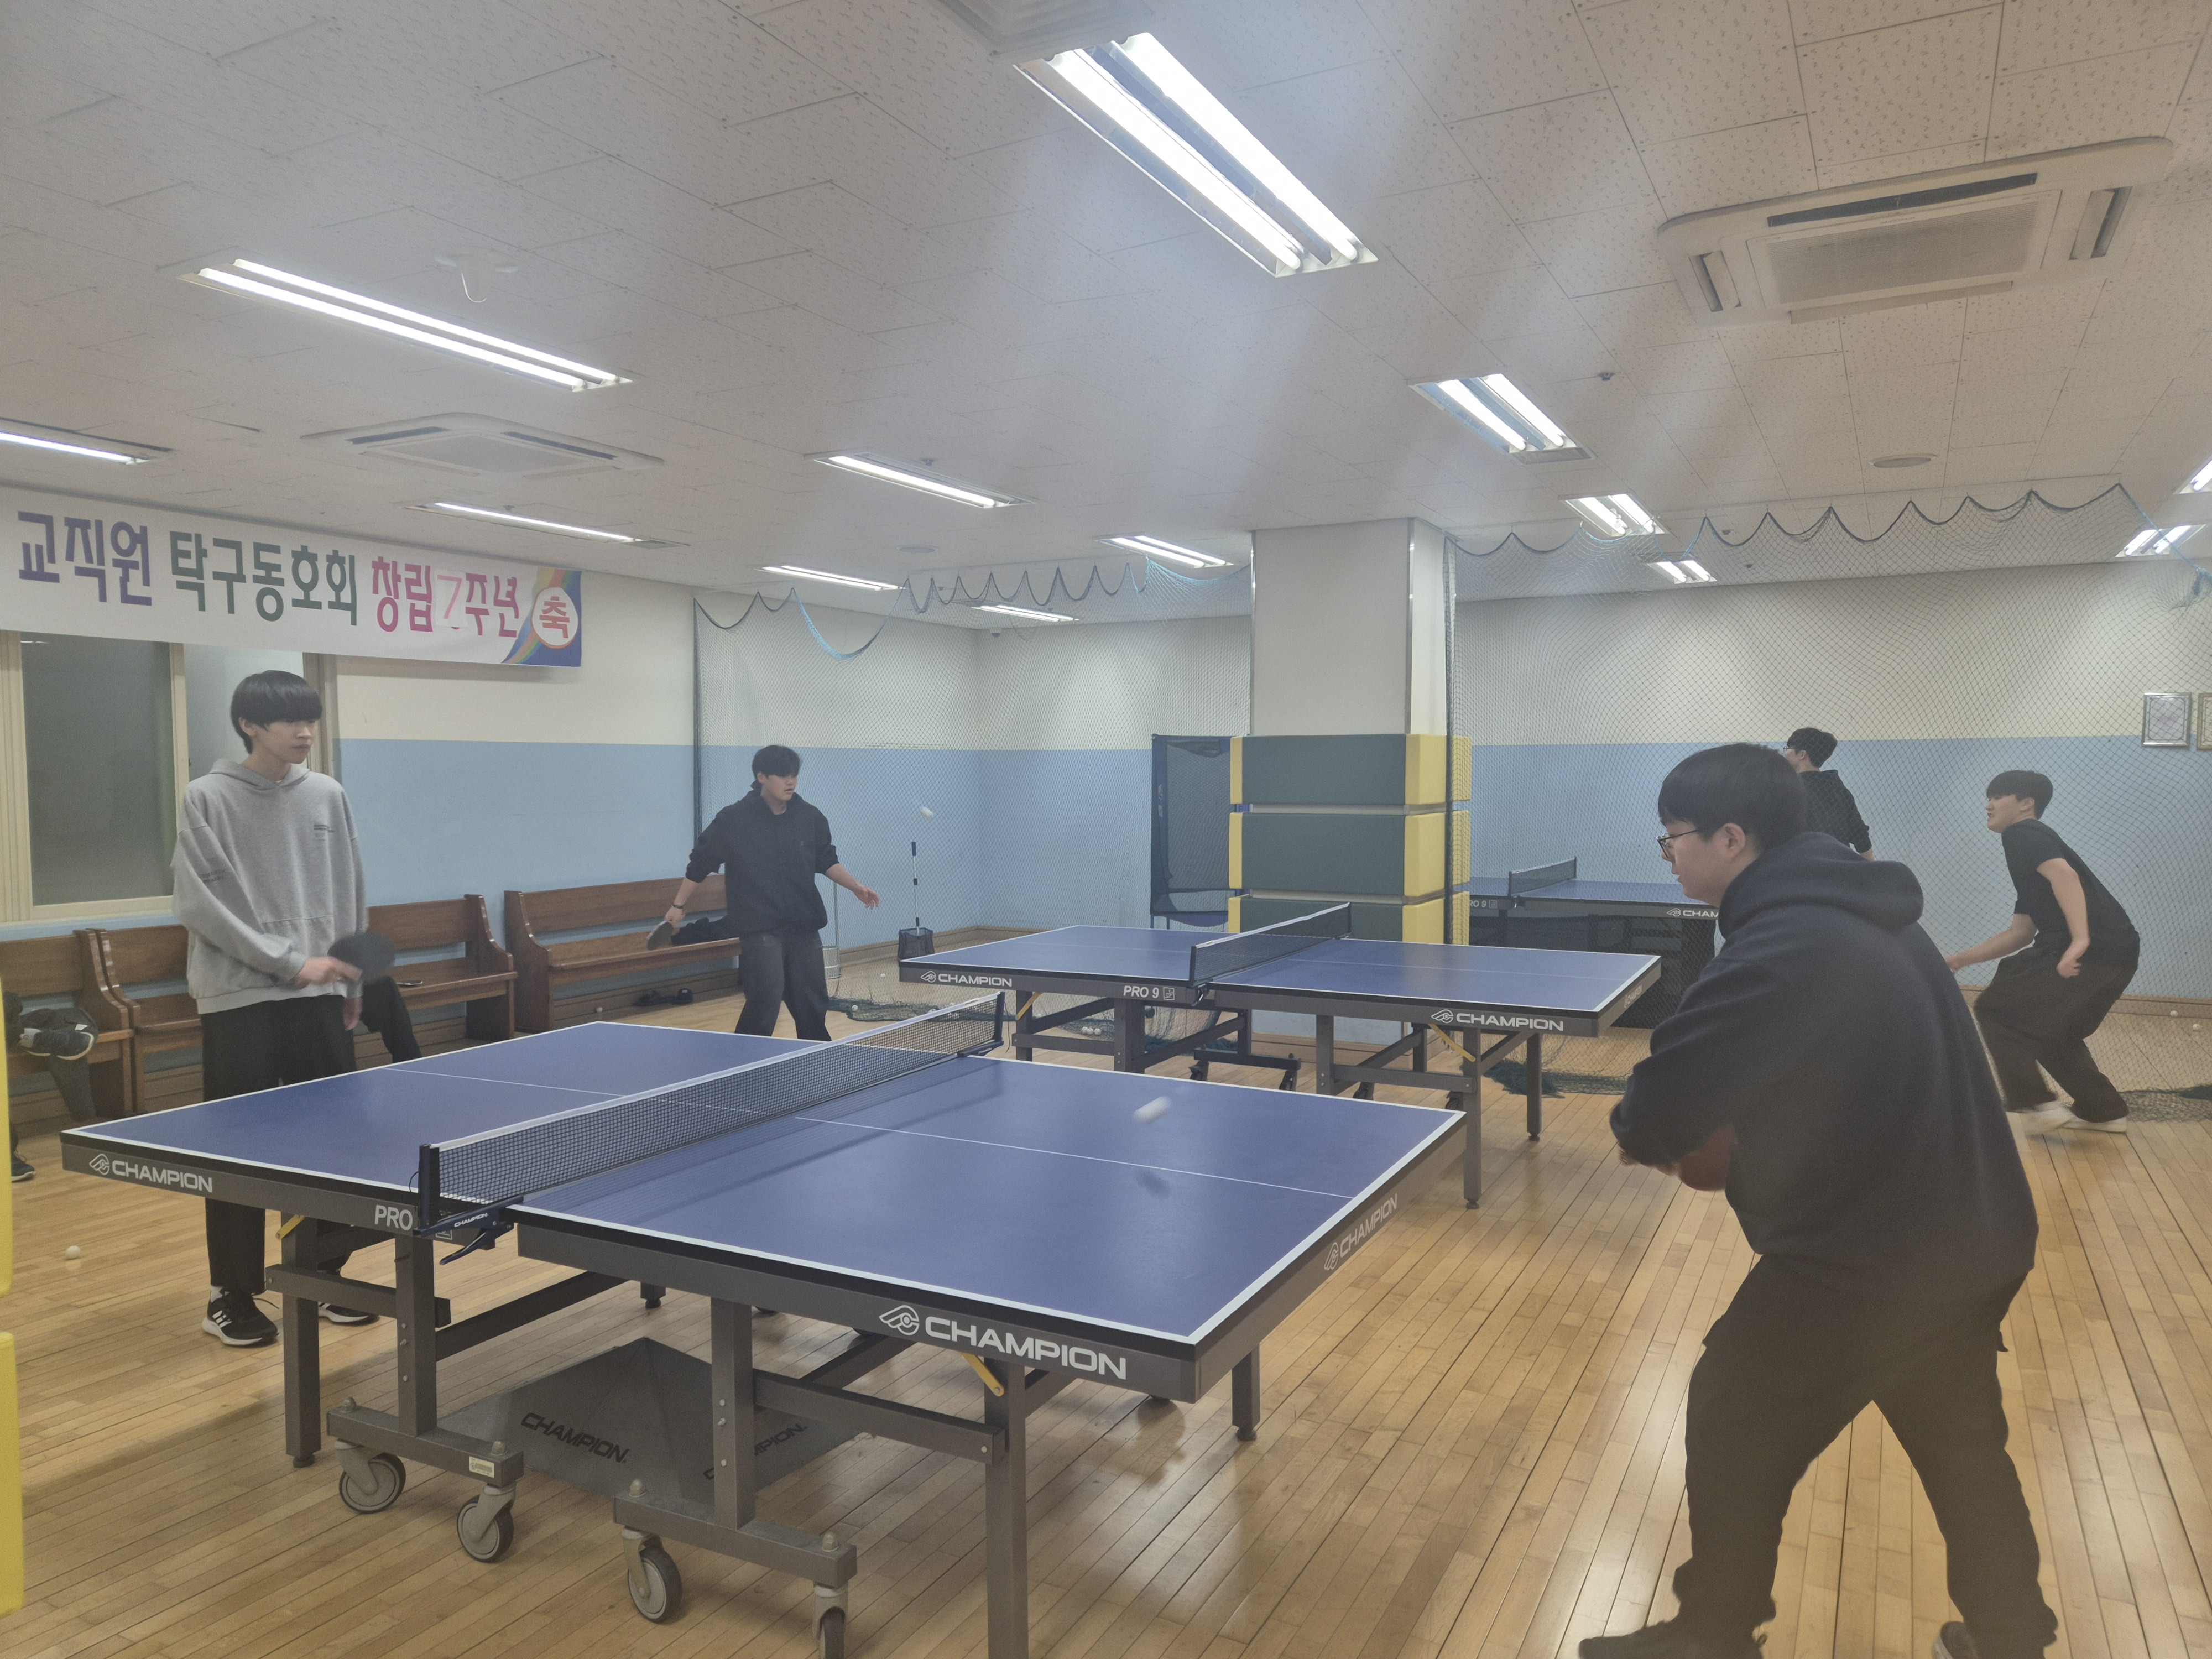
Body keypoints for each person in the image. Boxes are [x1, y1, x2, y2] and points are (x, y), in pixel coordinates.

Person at [1588, 744, 2051, 1659]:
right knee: (1961, 1446)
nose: (1668, 855)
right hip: (1971, 1237)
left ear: (1730, 838)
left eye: (1673, 837)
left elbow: (1660, 1107)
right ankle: (2011, 1636)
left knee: (1732, 1410)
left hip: (1871, 1260)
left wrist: (1660, 1131)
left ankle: (1714, 1632)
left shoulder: (1786, 943)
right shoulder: (1876, 919)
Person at [172, 670, 372, 1348]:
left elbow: (349, 885)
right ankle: (229, 1293)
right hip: (240, 997)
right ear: (248, 726)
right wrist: (288, 962)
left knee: (331, 1145)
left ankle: (324, 1273)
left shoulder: (328, 794)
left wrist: (351, 976)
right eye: (289, 721)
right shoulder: (207, 796)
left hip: (321, 995)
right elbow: (202, 904)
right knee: (240, 1149)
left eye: (311, 719)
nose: (305, 732)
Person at [1944, 770, 2138, 1134]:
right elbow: (2020, 933)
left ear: (2026, 805)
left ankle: (2034, 1103)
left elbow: (2066, 876)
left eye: (1998, 796)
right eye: (1989, 797)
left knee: (1998, 1012)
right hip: (2118, 954)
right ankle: (2104, 1111)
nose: (1989, 805)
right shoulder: (2033, 861)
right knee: (2053, 1031)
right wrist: (1959, 960)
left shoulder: (2023, 833)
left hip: (2087, 951)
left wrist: (2079, 940)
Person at [661, 745, 879, 1041]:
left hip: (804, 923)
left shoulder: (810, 817)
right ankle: (747, 1057)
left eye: (795, 775)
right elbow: (701, 863)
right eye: (782, 776)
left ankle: (817, 1054)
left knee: (812, 1001)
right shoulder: (734, 820)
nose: (791, 782)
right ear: (761, 777)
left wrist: (856, 888)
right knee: (766, 998)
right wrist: (678, 906)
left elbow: (826, 860)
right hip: (759, 926)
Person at [1781, 727, 1871, 856]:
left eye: (1788, 748)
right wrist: (1871, 865)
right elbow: (1859, 832)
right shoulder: (1837, 787)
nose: (1786, 753)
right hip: (1840, 861)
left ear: (1802, 754)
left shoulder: (1790, 788)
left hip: (1806, 861)